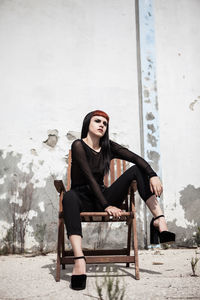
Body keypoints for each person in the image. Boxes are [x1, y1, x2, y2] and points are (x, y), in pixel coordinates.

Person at [62, 110, 175, 290]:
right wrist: (106, 206)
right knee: (68, 196)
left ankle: (159, 219)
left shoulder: (108, 147)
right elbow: (89, 178)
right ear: (87, 124)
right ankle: (79, 260)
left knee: (137, 169)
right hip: (81, 198)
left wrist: (153, 175)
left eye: (105, 123)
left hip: (103, 196)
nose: (101, 125)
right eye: (97, 121)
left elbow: (136, 158)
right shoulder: (78, 145)